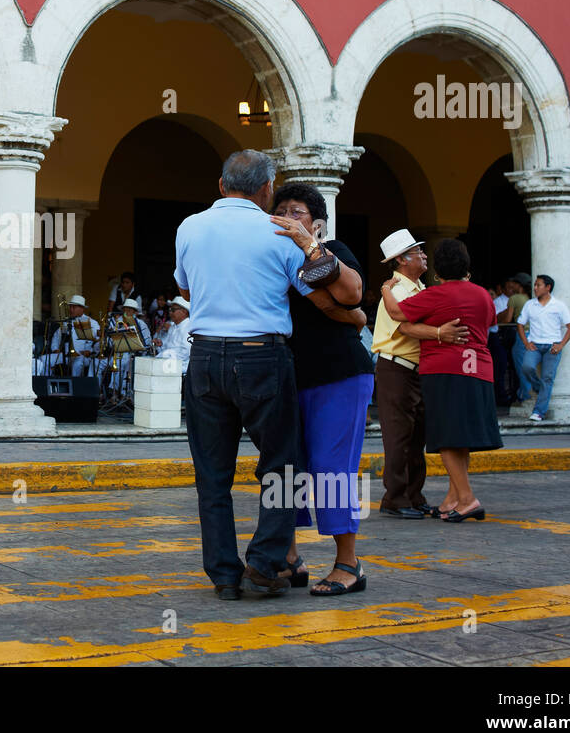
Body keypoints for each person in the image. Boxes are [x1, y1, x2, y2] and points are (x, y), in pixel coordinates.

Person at [174, 150, 361, 599]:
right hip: (260, 355)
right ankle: (266, 560)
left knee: (212, 475)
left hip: (203, 358)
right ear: (265, 190)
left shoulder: (189, 227)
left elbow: (184, 288)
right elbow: (322, 296)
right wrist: (353, 318)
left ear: (221, 185)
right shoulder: (278, 233)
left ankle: (223, 573)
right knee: (282, 465)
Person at [273, 185, 423, 596]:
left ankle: (349, 563)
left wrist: (310, 248)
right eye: (281, 210)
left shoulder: (333, 250)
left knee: (332, 468)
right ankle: (288, 558)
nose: (287, 217)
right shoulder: (272, 258)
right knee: (287, 467)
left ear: (317, 223)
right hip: (290, 376)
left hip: (339, 374)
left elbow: (352, 294)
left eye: (297, 212)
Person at [382, 239, 502, 522]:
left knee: (447, 437)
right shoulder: (483, 294)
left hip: (447, 369)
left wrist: (386, 289)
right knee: (461, 438)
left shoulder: (437, 294)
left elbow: (396, 313)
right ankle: (453, 498)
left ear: (439, 270)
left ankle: (467, 498)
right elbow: (490, 322)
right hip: (480, 370)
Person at [371, 229, 435, 519]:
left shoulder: (418, 287)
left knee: (416, 435)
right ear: (401, 259)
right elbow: (406, 326)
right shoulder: (397, 289)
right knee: (398, 436)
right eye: (417, 251)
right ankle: (395, 497)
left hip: (413, 367)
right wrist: (439, 333)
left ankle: (413, 493)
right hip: (396, 366)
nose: (423, 255)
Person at [516, 274, 570, 423]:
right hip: (534, 344)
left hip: (552, 346)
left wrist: (561, 344)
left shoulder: (559, 305)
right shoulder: (530, 304)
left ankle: (539, 412)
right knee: (527, 368)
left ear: (548, 287)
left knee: (548, 378)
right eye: (535, 285)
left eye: (538, 285)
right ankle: (539, 388)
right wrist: (526, 343)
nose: (535, 288)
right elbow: (520, 324)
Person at [507, 271, 533, 406]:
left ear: (519, 285)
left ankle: (527, 396)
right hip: (533, 335)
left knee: (521, 366)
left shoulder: (515, 298)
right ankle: (526, 394)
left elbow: (507, 319)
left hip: (522, 334)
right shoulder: (531, 298)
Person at [152, 296, 192, 375]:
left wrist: (166, 354)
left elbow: (186, 352)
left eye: (173, 310)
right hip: (169, 365)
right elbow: (167, 347)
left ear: (184, 311)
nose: (170, 312)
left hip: (180, 368)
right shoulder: (173, 326)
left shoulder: (188, 327)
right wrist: (161, 345)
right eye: (170, 310)